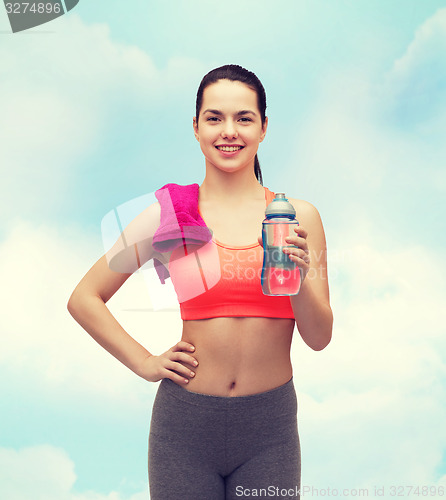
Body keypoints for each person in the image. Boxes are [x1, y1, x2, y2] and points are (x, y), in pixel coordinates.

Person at [67, 64, 333, 500]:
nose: (229, 131)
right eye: (214, 118)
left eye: (244, 118)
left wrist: (300, 279)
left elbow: (319, 338)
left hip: (270, 430)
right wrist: (144, 362)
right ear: (195, 127)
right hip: (184, 428)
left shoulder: (298, 218)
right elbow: (84, 297)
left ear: (264, 128)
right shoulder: (168, 213)